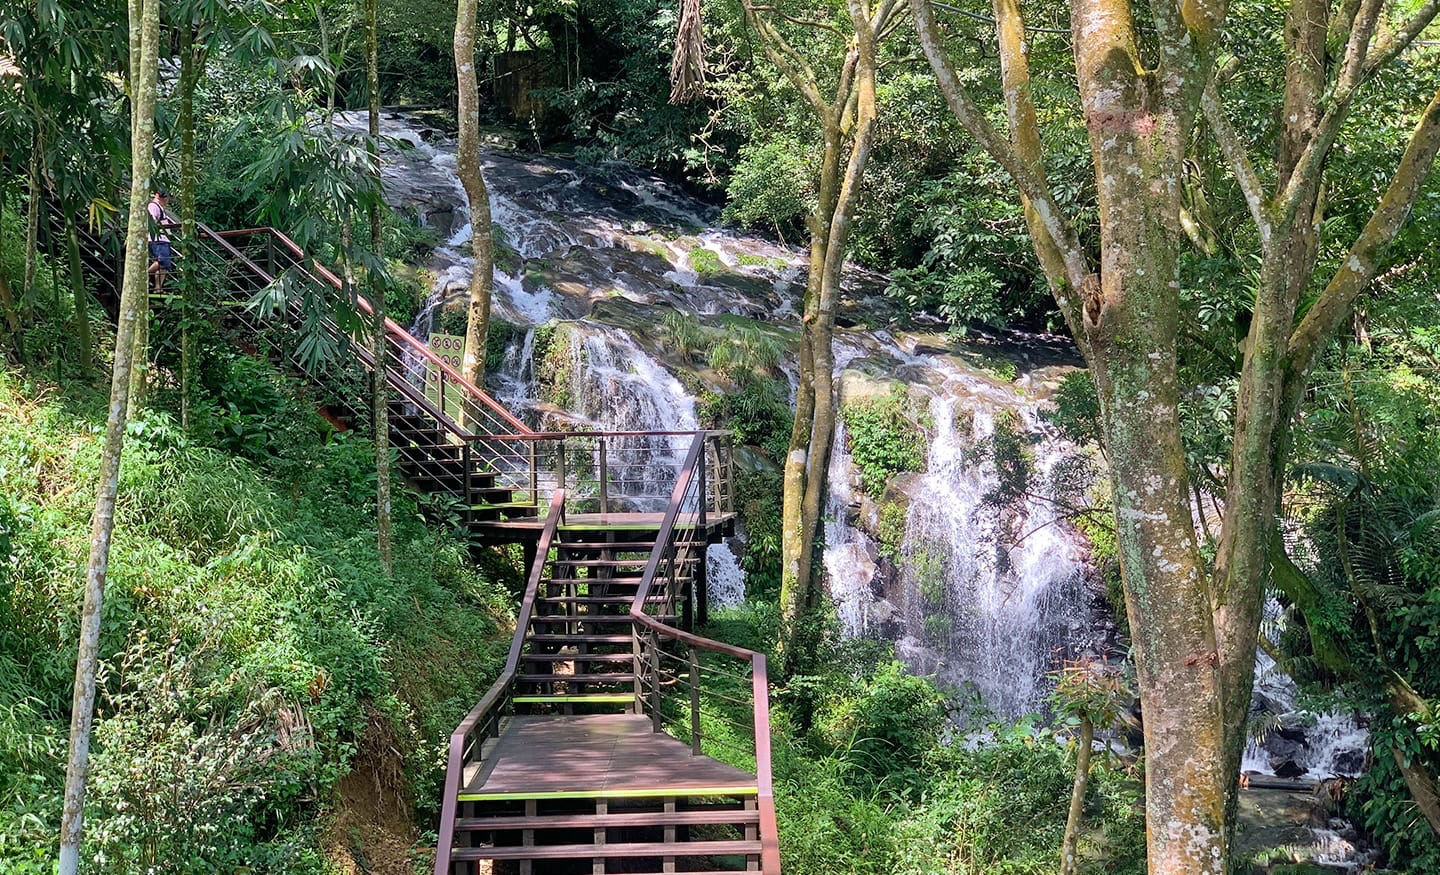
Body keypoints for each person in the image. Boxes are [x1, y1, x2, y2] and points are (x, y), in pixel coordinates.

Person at [147, 190, 174, 292]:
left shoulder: (160, 207)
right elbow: (152, 220)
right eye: (166, 198)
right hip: (158, 239)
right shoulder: (153, 206)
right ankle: (145, 274)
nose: (167, 201)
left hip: (163, 239)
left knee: (164, 265)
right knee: (162, 261)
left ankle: (158, 287)